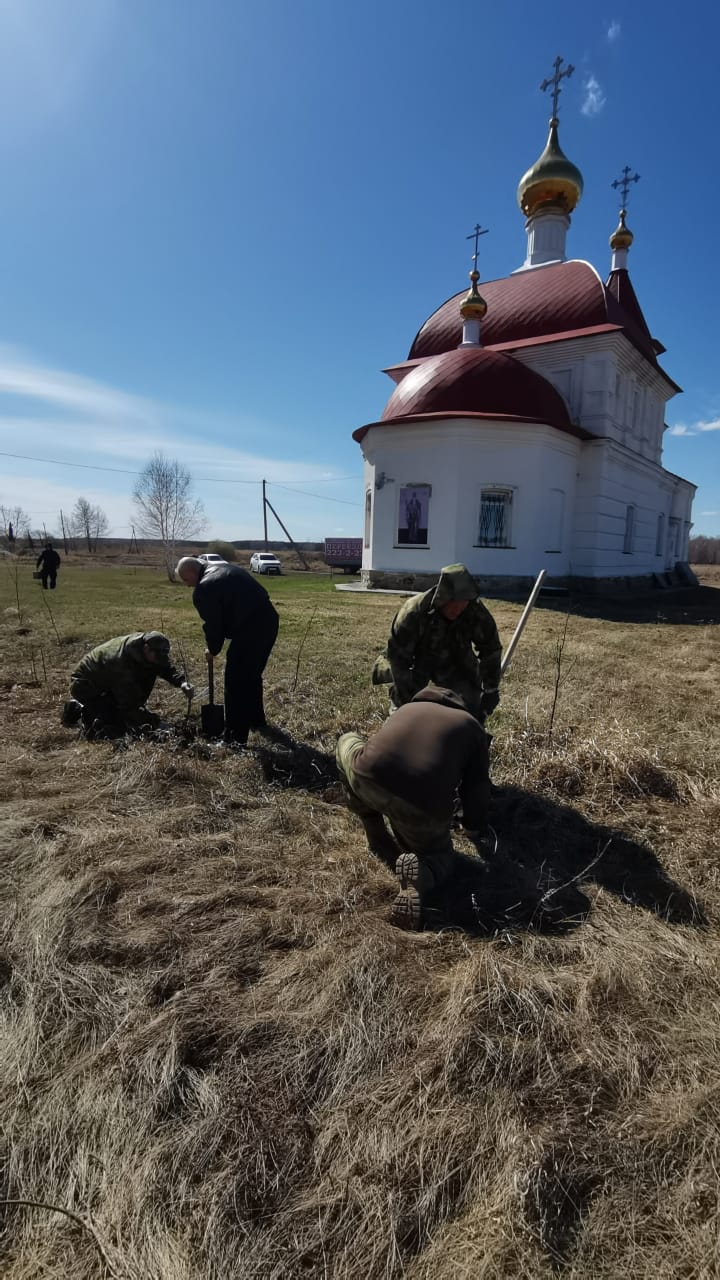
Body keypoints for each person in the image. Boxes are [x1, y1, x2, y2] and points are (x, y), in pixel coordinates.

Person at [337, 686, 491, 929]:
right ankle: (421, 874)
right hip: (420, 807)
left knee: (347, 741)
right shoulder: (471, 727)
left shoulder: (406, 708)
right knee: (441, 858)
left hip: (367, 778)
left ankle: (374, 830)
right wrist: (473, 828)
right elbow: (476, 790)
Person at [372, 563, 502, 722]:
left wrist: (491, 689)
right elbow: (398, 659)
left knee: (469, 709)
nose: (458, 609)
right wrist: (406, 700)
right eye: (453, 604)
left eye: (463, 604)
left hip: (454, 660)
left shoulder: (475, 611)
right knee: (405, 715)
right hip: (415, 662)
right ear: (443, 597)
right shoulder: (414, 612)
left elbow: (491, 650)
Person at [176, 556, 279, 746]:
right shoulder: (225, 567)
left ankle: (234, 739)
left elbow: (214, 626)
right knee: (252, 674)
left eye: (185, 580)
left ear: (191, 572)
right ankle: (256, 720)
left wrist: (212, 649)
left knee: (236, 682)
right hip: (269, 620)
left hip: (250, 629)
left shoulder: (205, 587)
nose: (187, 585)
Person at [65, 632, 193, 738]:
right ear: (146, 648)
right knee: (116, 724)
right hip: (85, 684)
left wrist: (182, 682)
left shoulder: (146, 647)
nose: (158, 660)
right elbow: (129, 706)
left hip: (107, 680)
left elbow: (164, 667)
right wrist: (156, 723)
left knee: (148, 673)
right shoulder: (120, 664)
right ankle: (78, 709)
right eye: (157, 656)